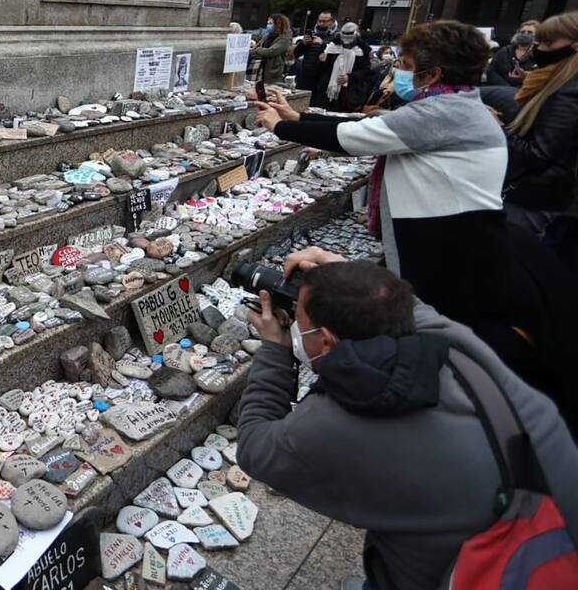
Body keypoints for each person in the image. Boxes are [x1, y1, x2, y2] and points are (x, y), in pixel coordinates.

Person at [255, 22, 569, 406]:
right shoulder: (455, 105)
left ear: (433, 72)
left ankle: (445, 403)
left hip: (453, 251)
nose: (398, 71)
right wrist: (299, 118)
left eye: (405, 63)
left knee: (449, 333)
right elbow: (375, 127)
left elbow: (355, 138)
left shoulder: (442, 113)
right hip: (460, 242)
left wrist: (283, 127)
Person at [237, 246, 578, 590]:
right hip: (556, 519)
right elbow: (407, 303)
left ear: (326, 341)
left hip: (468, 572)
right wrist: (348, 275)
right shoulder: (450, 339)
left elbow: (253, 446)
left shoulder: (330, 422)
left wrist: (276, 347)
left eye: (301, 323)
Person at [502, 10, 578, 261]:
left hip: (535, 198)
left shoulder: (568, 95)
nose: (538, 48)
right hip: (535, 193)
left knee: (513, 260)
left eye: (547, 42)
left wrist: (495, 129)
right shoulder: (555, 84)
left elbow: (539, 154)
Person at [322, 21, 373, 112]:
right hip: (330, 87)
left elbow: (366, 70)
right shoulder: (333, 47)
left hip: (351, 91)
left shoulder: (361, 50)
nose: (346, 41)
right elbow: (325, 67)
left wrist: (349, 77)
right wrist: (322, 59)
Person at [294, 10, 337, 97]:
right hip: (306, 76)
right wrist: (303, 44)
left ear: (332, 22)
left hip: (322, 78)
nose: (321, 24)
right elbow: (296, 54)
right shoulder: (313, 34)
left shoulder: (336, 37)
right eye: (319, 21)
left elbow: (335, 55)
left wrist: (323, 44)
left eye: (324, 21)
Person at [485, 20, 538, 87]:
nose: (525, 34)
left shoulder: (538, 56)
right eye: (522, 32)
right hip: (498, 89)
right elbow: (492, 71)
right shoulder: (505, 51)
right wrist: (506, 88)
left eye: (530, 32)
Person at [246, 13, 292, 85]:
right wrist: (258, 50)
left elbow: (271, 52)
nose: (268, 25)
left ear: (278, 24)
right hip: (260, 70)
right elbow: (255, 49)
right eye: (268, 23)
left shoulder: (284, 39)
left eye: (271, 23)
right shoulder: (267, 35)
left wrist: (259, 50)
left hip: (273, 73)